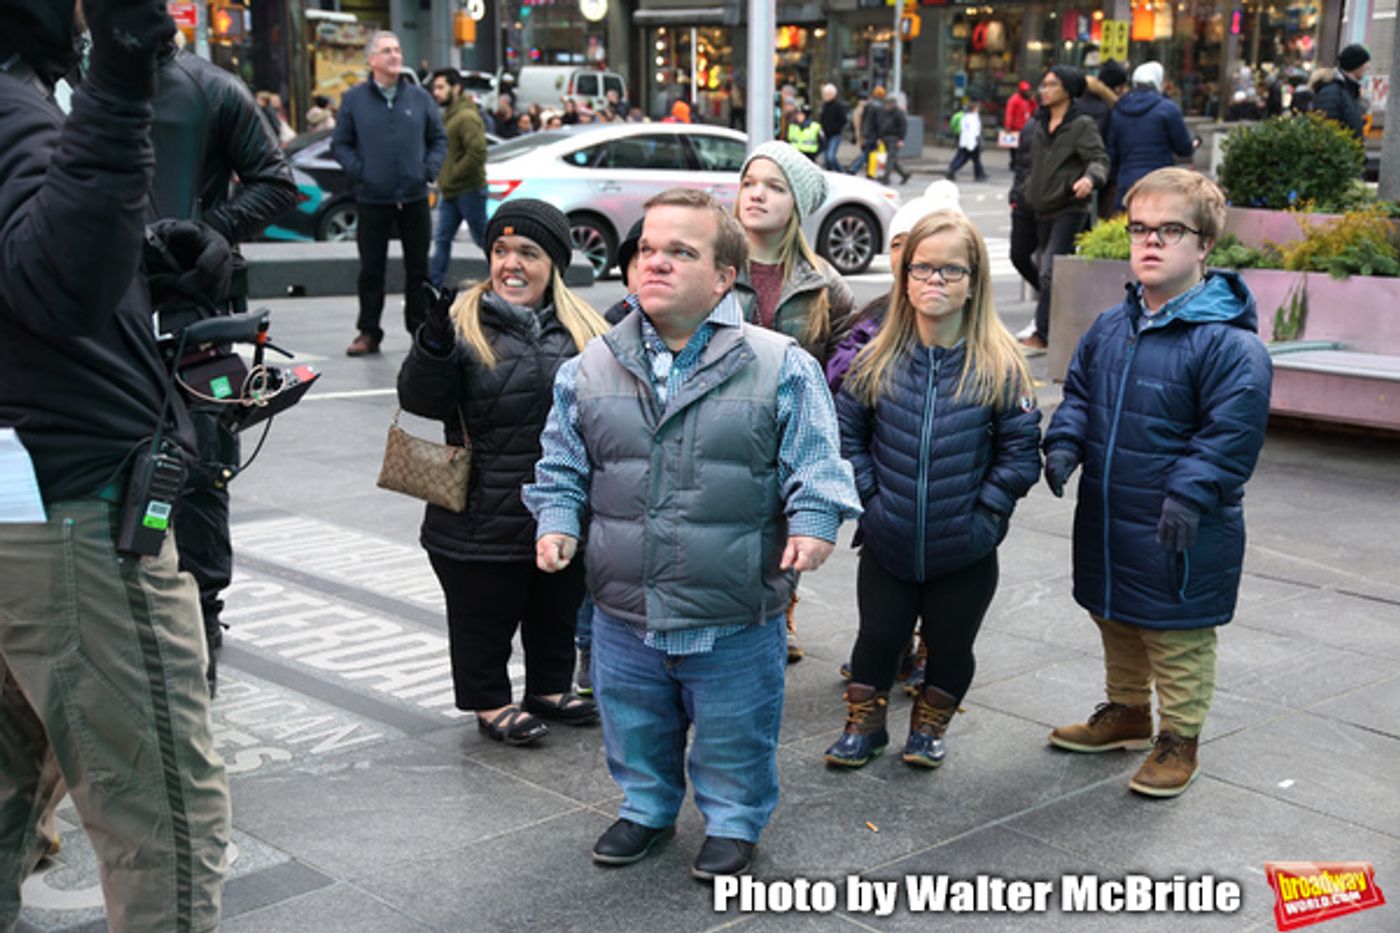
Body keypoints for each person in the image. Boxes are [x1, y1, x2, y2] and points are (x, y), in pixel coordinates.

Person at [524, 187, 861, 880]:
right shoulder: (589, 367)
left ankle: (734, 818)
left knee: (737, 730)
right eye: (647, 249)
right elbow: (562, 459)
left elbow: (817, 461)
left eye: (681, 251)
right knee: (633, 720)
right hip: (625, 603)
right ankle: (646, 805)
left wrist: (816, 519)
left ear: (724, 276)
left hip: (733, 603)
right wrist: (558, 520)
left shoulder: (778, 362)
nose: (656, 262)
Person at [0, 0, 231, 927]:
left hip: (28, 489)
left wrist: (140, 264)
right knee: (164, 810)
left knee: (14, 759)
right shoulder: (17, 106)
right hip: (70, 508)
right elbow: (55, 285)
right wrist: (125, 72)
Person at [1043, 168, 1273, 798]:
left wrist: (1191, 494)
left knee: (1177, 634)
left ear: (1203, 246)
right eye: (1140, 228)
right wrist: (1065, 440)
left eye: (1170, 230)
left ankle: (1179, 739)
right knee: (1115, 615)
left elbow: (1231, 433)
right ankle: (1126, 712)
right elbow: (1081, 393)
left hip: (1183, 523)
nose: (1150, 242)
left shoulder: (1228, 345)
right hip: (1112, 515)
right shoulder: (1111, 327)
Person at [825, 209, 1041, 770]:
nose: (934, 282)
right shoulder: (876, 359)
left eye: (950, 271)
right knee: (877, 637)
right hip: (887, 537)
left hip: (965, 545)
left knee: (951, 644)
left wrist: (987, 513)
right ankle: (865, 725)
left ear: (974, 282)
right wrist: (870, 502)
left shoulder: (1000, 365)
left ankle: (929, 726)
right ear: (904, 279)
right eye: (922, 269)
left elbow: (1020, 451)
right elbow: (847, 434)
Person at [397, 199, 608, 746]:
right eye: (500, 250)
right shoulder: (463, 321)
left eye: (528, 252)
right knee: (484, 612)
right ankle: (490, 701)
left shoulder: (583, 329)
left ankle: (549, 687)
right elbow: (421, 399)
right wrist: (434, 346)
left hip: (561, 504)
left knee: (556, 605)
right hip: (479, 511)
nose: (510, 263)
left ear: (554, 264)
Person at [149, 36, 298, 694]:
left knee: (201, 469)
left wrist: (211, 229)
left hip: (190, 310)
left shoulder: (212, 87)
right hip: (97, 308)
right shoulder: (66, 82)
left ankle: (203, 612)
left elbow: (275, 181)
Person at [732, 141, 856, 661]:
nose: (757, 194)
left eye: (774, 187)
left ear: (798, 206)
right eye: (749, 183)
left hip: (790, 432)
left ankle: (780, 613)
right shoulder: (712, 263)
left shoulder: (823, 282)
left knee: (785, 525)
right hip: (724, 423)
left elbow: (848, 359)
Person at [333, 31, 447, 357]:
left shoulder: (420, 98)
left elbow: (439, 139)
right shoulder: (354, 100)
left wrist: (427, 170)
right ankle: (369, 332)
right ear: (371, 60)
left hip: (413, 198)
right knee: (371, 270)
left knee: (418, 271)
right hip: (372, 199)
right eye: (386, 51)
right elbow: (340, 144)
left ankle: (420, 331)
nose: (395, 55)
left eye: (397, 49)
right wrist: (361, 171)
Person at [1018, 65, 1108, 355]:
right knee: (1036, 263)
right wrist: (1025, 191)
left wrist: (1089, 179)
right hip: (1041, 206)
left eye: (1051, 85)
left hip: (1070, 206)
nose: (1044, 90)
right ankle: (1058, 317)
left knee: (1050, 270)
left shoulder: (1081, 124)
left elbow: (1099, 159)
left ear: (1068, 89)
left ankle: (1043, 334)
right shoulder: (1040, 122)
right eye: (1043, 85)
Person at [430, 68, 489, 289]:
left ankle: (504, 280)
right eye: (434, 88)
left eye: (440, 87)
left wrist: (452, 175)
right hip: (451, 191)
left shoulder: (466, 117)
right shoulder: (451, 115)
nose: (436, 93)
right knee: (442, 240)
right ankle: (433, 287)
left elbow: (477, 153)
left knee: (483, 239)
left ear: (456, 88)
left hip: (469, 190)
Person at [1108, 62, 1194, 214]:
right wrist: (1194, 143)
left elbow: (1112, 152)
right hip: (1159, 182)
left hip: (1126, 181)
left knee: (1128, 229)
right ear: (1159, 81)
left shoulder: (1119, 108)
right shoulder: (1167, 108)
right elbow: (1183, 149)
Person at [1312, 43, 1369, 140]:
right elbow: (1327, 129)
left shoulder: (1348, 91)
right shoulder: (1332, 91)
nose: (1367, 67)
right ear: (1355, 65)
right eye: (1365, 63)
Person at [945, 98, 987, 182]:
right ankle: (978, 174)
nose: (978, 110)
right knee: (967, 159)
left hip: (965, 142)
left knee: (972, 159)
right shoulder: (973, 119)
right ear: (974, 109)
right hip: (972, 142)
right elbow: (973, 132)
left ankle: (979, 173)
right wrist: (972, 144)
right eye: (977, 108)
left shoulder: (965, 117)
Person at [848, 85, 885, 175]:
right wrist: (880, 136)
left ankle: (869, 171)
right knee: (868, 153)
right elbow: (878, 123)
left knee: (869, 153)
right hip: (873, 134)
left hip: (866, 132)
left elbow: (863, 119)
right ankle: (854, 168)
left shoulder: (868, 105)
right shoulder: (879, 106)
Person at [878, 92, 912, 186]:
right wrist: (880, 137)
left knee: (890, 158)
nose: (886, 106)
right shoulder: (884, 112)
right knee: (892, 159)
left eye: (888, 104)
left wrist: (901, 139)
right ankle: (904, 174)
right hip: (885, 137)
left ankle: (886, 177)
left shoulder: (898, 113)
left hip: (894, 138)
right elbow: (880, 124)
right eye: (886, 104)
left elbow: (903, 127)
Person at [1003, 80, 1036, 171]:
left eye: (1027, 90)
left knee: (1024, 146)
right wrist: (1008, 126)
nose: (1026, 92)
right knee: (1014, 148)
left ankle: (1019, 163)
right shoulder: (1014, 99)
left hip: (1026, 126)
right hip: (1016, 127)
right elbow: (1009, 113)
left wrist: (1032, 102)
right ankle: (1014, 163)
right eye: (1025, 91)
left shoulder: (1028, 100)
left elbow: (1034, 110)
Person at [818, 82, 847, 171]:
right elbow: (822, 119)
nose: (824, 96)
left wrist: (835, 128)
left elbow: (843, 120)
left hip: (835, 134)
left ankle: (840, 171)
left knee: (830, 156)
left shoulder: (838, 106)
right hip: (826, 134)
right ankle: (833, 172)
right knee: (827, 157)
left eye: (826, 94)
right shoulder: (824, 106)